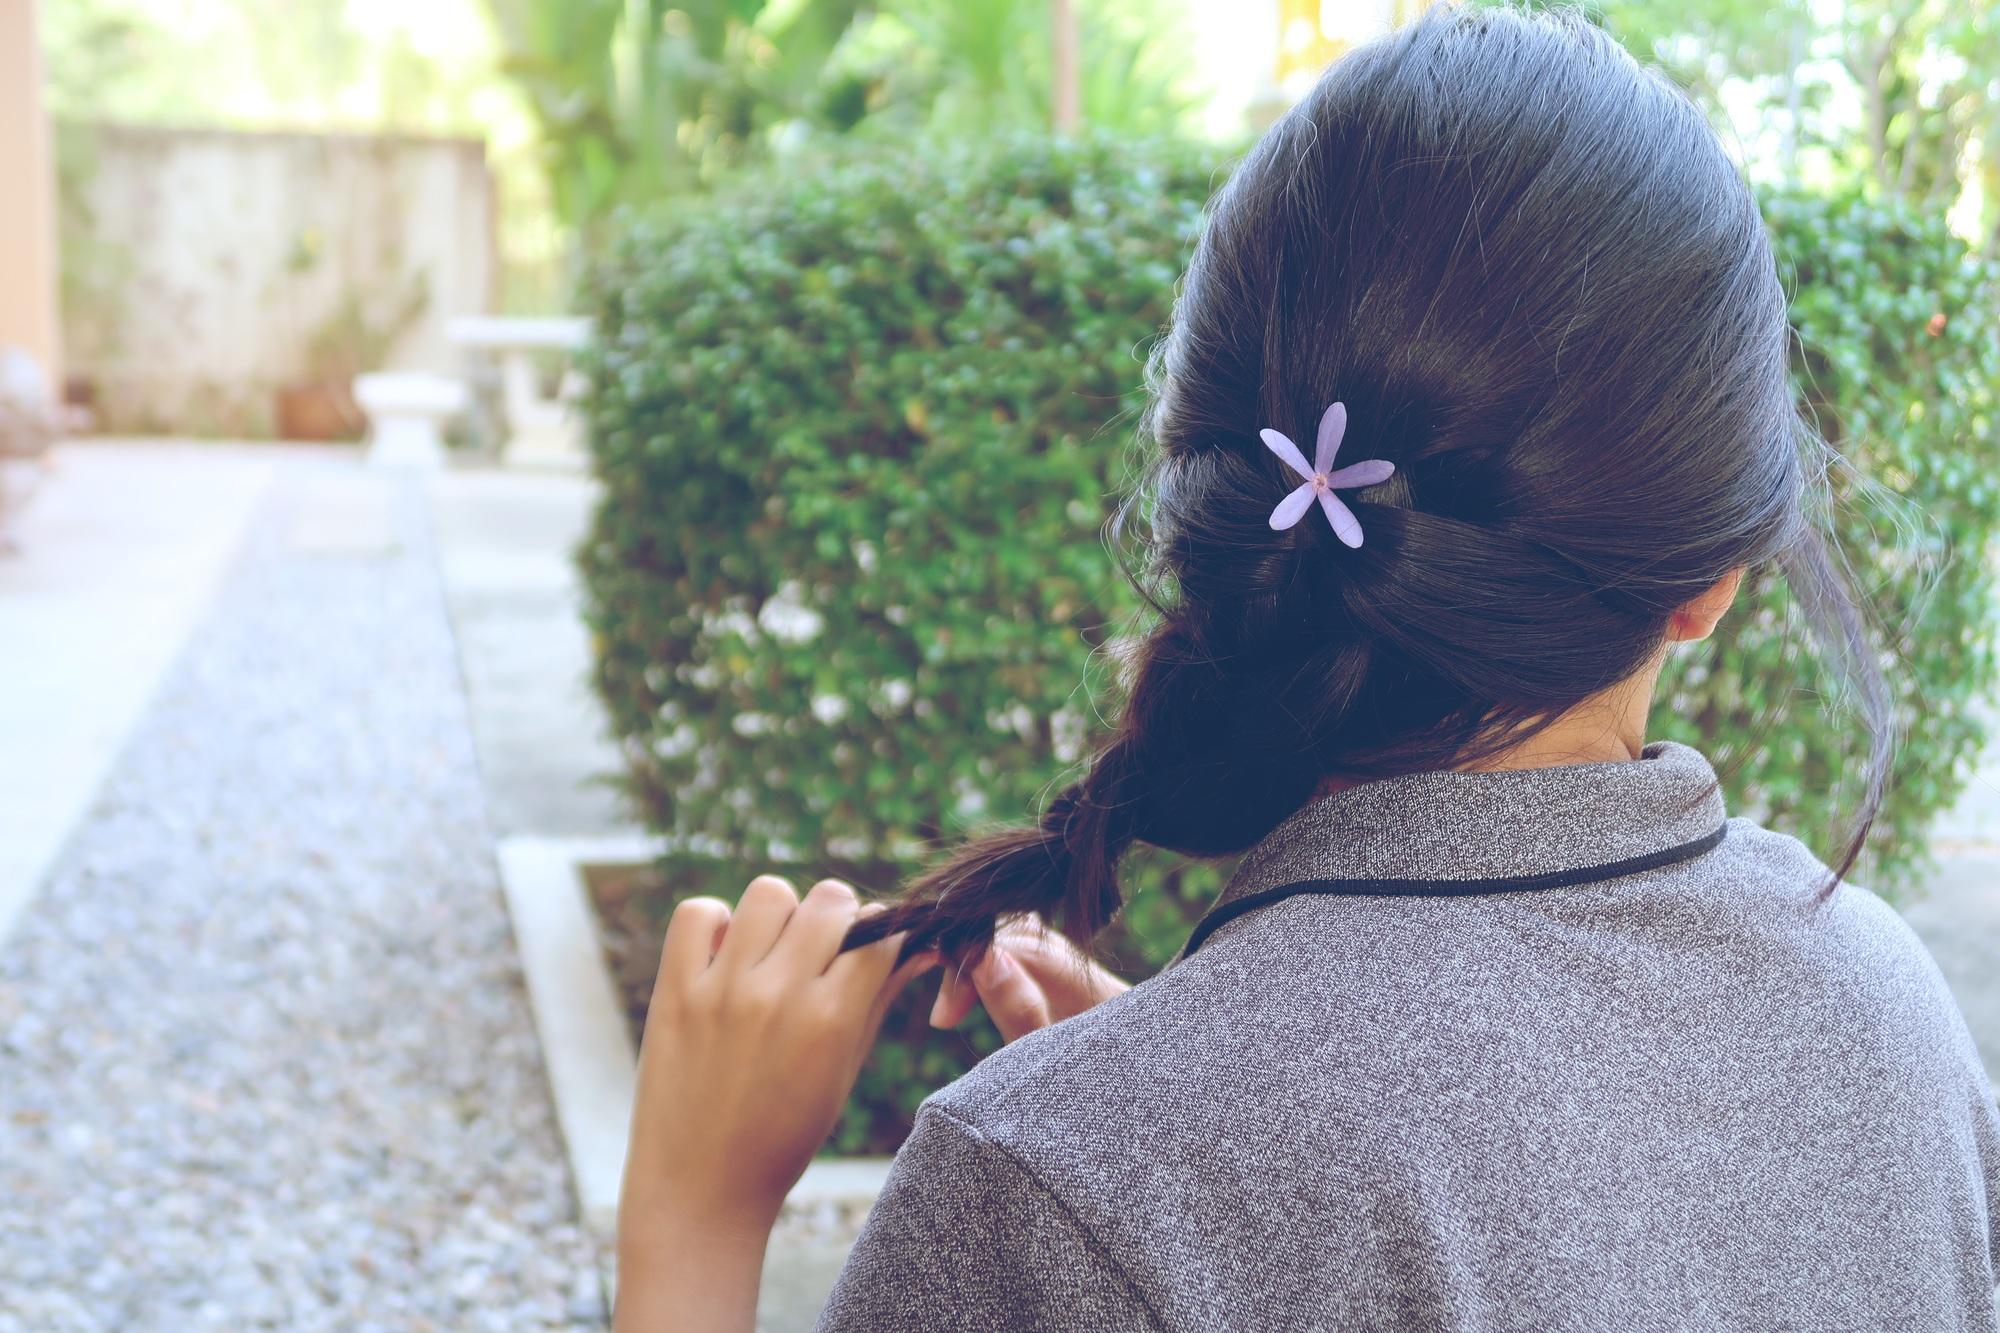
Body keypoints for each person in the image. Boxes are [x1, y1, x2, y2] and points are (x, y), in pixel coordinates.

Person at [609, 6, 2000, 1330]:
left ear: (1213, 502)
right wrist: (1206, 1093)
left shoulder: (1059, 1182)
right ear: (1707, 573)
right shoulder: (1889, 1018)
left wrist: (692, 1221)